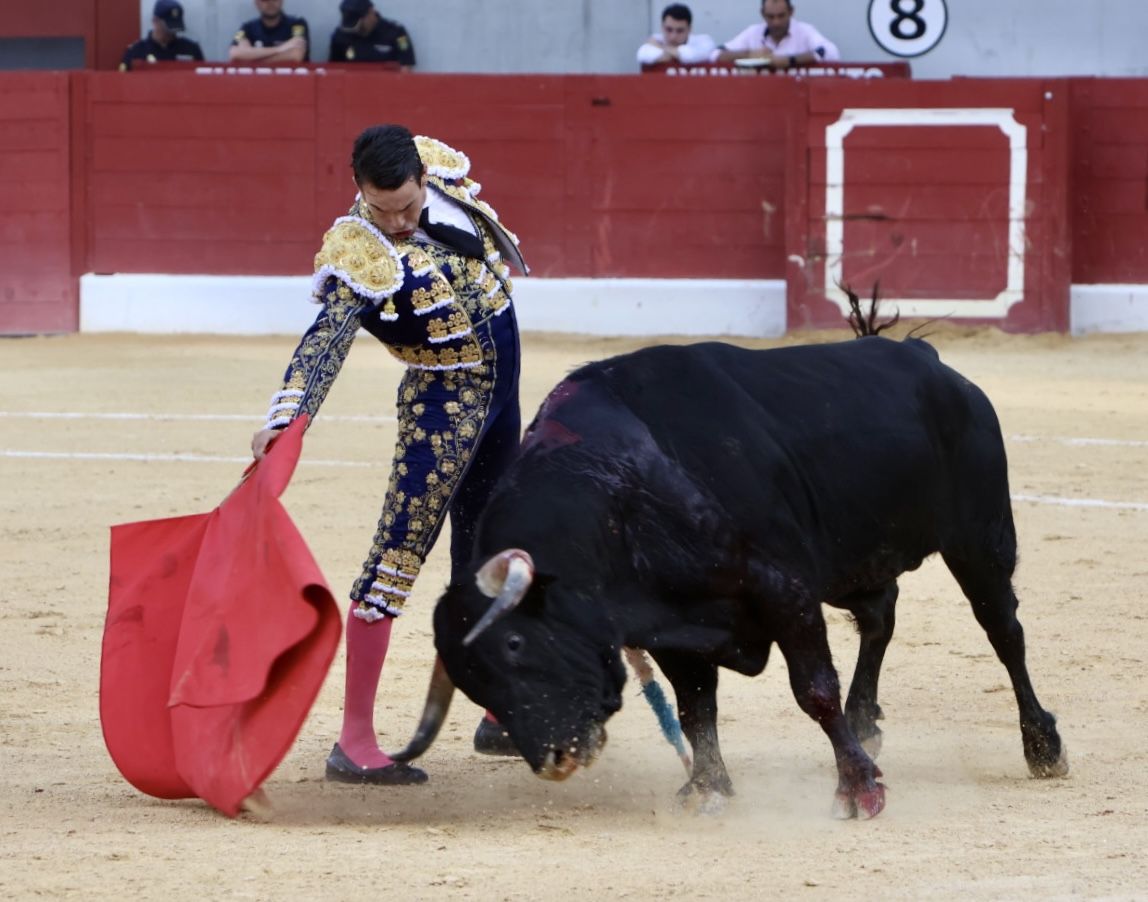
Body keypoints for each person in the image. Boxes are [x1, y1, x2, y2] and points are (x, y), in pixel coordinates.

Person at [251, 124, 527, 784]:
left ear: (423, 180)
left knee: (491, 547)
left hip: (501, 400)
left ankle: (494, 708)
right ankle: (355, 740)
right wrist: (290, 415)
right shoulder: (358, 252)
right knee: (397, 556)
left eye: (407, 206)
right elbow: (325, 340)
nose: (398, 223)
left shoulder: (443, 178)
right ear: (360, 193)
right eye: (383, 209)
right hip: (442, 410)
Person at [713, 0, 839, 67]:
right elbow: (715, 54)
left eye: (781, 16)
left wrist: (791, 60)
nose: (776, 22)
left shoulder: (804, 31)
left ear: (791, 12)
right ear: (762, 14)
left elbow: (831, 52)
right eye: (770, 17)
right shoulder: (753, 32)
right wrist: (749, 54)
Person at [119, 0, 204, 71]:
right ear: (155, 21)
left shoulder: (190, 50)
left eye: (176, 27)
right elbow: (124, 82)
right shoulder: (137, 51)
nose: (172, 32)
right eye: (169, 27)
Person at [329, 0, 416, 68]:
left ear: (371, 13)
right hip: (351, 87)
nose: (356, 30)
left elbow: (406, 65)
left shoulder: (397, 33)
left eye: (359, 26)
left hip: (387, 85)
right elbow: (335, 68)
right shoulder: (340, 35)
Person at [228, 0, 310, 64]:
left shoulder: (297, 24)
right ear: (257, 3)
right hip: (256, 82)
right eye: (265, 0)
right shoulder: (247, 27)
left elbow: (296, 55)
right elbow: (234, 53)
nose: (271, 3)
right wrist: (280, 49)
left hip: (293, 81)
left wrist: (252, 58)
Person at [636, 3, 716, 67]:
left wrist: (660, 47)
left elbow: (690, 56)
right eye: (669, 30)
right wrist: (677, 55)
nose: (673, 36)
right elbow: (642, 55)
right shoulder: (656, 39)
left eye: (680, 31)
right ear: (662, 27)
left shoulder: (704, 41)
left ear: (689, 29)